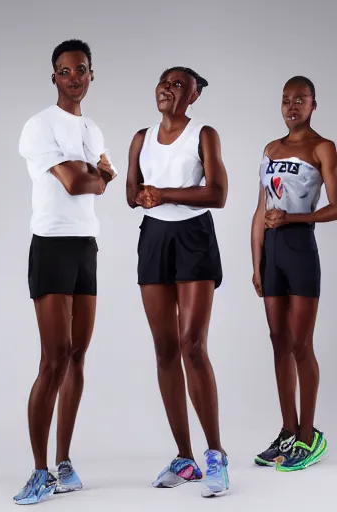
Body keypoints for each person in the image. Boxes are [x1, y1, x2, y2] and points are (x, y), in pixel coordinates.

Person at [14, 39, 116, 505]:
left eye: (81, 70)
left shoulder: (93, 129)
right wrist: (94, 176)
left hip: (85, 246)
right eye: (64, 71)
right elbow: (80, 182)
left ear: (91, 75)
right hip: (51, 245)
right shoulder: (39, 126)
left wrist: (94, 175)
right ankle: (38, 471)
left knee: (77, 356)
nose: (74, 77)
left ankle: (65, 461)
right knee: (52, 359)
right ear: (53, 77)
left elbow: (101, 178)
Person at [125, 67, 230, 496]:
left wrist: (163, 193)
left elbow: (218, 193)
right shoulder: (140, 137)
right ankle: (185, 457)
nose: (168, 89)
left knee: (193, 346)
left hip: (193, 237)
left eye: (179, 85)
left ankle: (216, 456)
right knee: (165, 349)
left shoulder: (203, 134)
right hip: (154, 238)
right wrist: (145, 196)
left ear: (193, 96)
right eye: (164, 82)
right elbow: (132, 193)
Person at [251, 75, 335, 472]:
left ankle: (308, 435)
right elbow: (260, 209)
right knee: (278, 341)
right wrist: (256, 263)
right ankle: (287, 430)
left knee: (301, 343)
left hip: (301, 247)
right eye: (286, 100)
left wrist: (292, 219)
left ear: (313, 105)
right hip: (273, 255)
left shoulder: (323, 147)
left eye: (300, 100)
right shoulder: (270, 148)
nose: (291, 107)